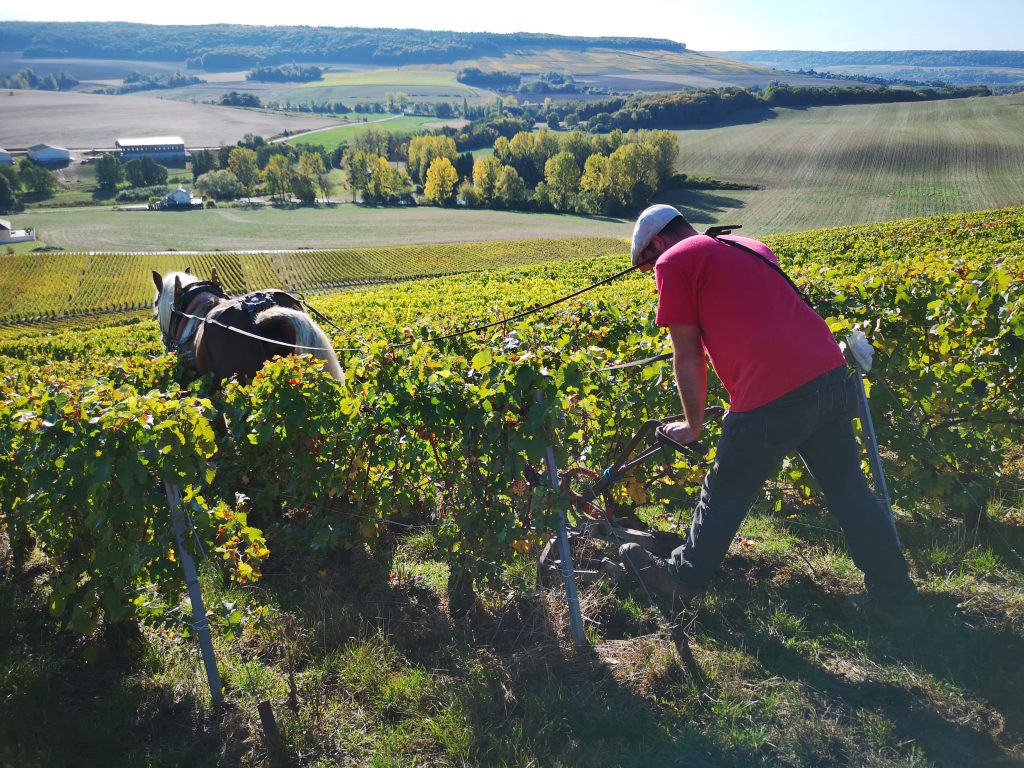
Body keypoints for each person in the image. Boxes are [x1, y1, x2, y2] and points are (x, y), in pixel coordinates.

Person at [618, 204, 919, 621]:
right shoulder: (746, 244)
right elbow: (753, 317)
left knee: (723, 492)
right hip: (829, 377)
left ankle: (681, 581)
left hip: (772, 392)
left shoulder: (672, 260)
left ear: (656, 243)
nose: (652, 276)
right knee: (850, 491)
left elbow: (688, 355)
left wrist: (691, 425)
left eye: (646, 268)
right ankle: (895, 597)